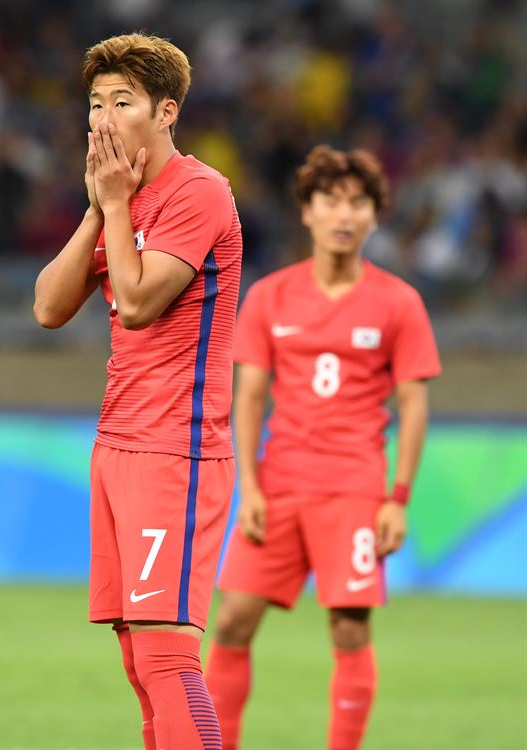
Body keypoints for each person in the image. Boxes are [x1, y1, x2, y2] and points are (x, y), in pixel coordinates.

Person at [34, 33, 242, 750]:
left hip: (175, 453)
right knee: (137, 662)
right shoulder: (119, 199)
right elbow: (48, 308)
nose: (102, 118)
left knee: (167, 656)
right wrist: (98, 210)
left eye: (122, 102)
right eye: (95, 103)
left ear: (166, 113)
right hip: (118, 447)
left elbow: (141, 298)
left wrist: (117, 208)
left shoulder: (199, 192)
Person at [205, 145, 441, 750]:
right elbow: (250, 397)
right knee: (231, 620)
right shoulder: (269, 297)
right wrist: (250, 486)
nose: (345, 215)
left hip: (355, 488)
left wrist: (398, 498)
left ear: (374, 216)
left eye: (358, 203)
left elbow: (413, 404)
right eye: (330, 201)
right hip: (279, 483)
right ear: (306, 212)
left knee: (349, 628)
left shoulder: (398, 302)